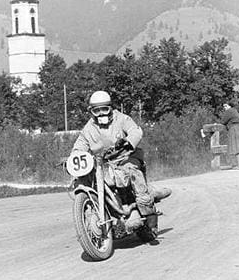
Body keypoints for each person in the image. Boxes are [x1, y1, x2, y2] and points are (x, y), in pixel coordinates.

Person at [72, 90, 171, 238]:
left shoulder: (122, 119)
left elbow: (135, 131)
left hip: (126, 157)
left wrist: (127, 141)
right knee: (84, 180)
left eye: (104, 109)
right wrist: (73, 157)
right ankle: (98, 214)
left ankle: (150, 216)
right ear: (91, 112)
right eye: (96, 110)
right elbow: (79, 146)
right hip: (103, 165)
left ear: (110, 108)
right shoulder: (88, 129)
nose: (101, 114)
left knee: (132, 173)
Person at [221, 100, 239, 170]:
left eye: (226, 106)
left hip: (234, 128)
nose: (225, 107)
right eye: (224, 106)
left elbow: (223, 121)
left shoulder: (229, 111)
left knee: (236, 147)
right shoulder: (235, 110)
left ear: (229, 106)